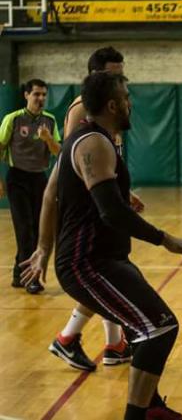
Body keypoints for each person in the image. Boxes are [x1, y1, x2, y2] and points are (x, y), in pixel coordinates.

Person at [20, 72, 182, 420]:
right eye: (126, 97)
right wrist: (165, 239)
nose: (131, 103)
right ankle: (138, 414)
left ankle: (151, 407)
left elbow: (83, 196)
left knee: (144, 330)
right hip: (86, 264)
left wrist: (43, 248)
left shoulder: (96, 139)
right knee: (160, 327)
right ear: (113, 105)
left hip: (106, 258)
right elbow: (111, 212)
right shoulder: (93, 143)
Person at [48, 47, 139, 373]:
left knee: (108, 271)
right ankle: (69, 337)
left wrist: (120, 190)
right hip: (85, 209)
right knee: (103, 271)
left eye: (121, 74)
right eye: (113, 74)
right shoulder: (82, 109)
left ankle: (113, 344)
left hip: (101, 199)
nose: (120, 80)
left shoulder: (113, 108)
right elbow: (71, 162)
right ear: (94, 75)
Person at [0, 78, 61, 294]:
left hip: (39, 179)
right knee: (24, 229)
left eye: (44, 94)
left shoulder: (50, 121)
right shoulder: (13, 119)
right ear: (26, 95)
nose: (40, 98)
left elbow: (58, 151)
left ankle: (19, 275)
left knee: (38, 229)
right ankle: (31, 279)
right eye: (36, 94)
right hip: (17, 179)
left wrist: (47, 139)